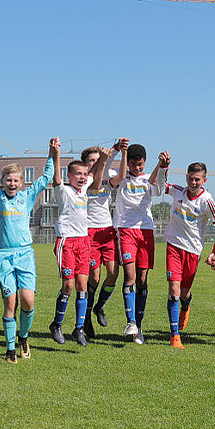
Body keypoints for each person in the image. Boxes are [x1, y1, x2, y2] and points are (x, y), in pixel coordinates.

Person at [0, 121, 57, 363]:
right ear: (3, 181)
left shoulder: (27, 196)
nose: (12, 184)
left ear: (22, 183)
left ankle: (23, 336)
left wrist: (52, 153)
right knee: (10, 302)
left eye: (16, 181)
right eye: (8, 180)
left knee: (28, 301)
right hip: (4, 256)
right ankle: (10, 349)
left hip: (25, 255)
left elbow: (48, 176)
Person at [159, 160, 215, 349]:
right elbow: (160, 185)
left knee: (183, 292)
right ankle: (175, 335)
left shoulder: (207, 200)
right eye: (190, 178)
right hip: (173, 245)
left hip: (193, 251)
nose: (193, 182)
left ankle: (186, 304)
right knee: (173, 289)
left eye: (197, 179)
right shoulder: (178, 191)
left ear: (204, 180)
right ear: (186, 177)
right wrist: (163, 167)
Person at [48, 146, 108, 347]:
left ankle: (79, 328)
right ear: (70, 175)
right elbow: (56, 179)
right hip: (67, 241)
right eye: (78, 174)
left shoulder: (85, 188)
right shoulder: (64, 191)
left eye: (84, 174)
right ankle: (56, 324)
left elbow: (95, 175)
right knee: (69, 285)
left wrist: (105, 159)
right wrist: (55, 154)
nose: (82, 177)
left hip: (84, 242)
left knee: (83, 286)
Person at [109, 142, 168, 344]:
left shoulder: (147, 180)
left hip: (145, 232)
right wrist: (120, 151)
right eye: (133, 164)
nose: (137, 168)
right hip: (125, 230)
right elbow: (113, 173)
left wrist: (162, 166)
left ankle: (139, 326)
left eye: (140, 165)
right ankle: (130, 321)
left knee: (142, 279)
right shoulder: (120, 176)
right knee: (130, 275)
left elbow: (159, 189)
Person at [83, 140, 126, 338]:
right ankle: (86, 320)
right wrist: (108, 156)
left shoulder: (107, 172)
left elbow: (120, 177)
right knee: (94, 277)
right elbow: (97, 180)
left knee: (113, 274)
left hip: (107, 231)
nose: (95, 162)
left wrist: (119, 150)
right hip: (89, 233)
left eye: (96, 159)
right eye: (91, 160)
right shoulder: (84, 179)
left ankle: (99, 307)